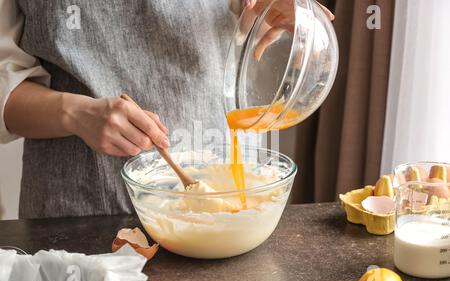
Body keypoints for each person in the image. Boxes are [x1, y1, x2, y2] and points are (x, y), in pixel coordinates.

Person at [0, 0, 333, 219]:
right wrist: (74, 113)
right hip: (81, 210)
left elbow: (245, 21)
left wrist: (275, 14)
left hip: (231, 196)